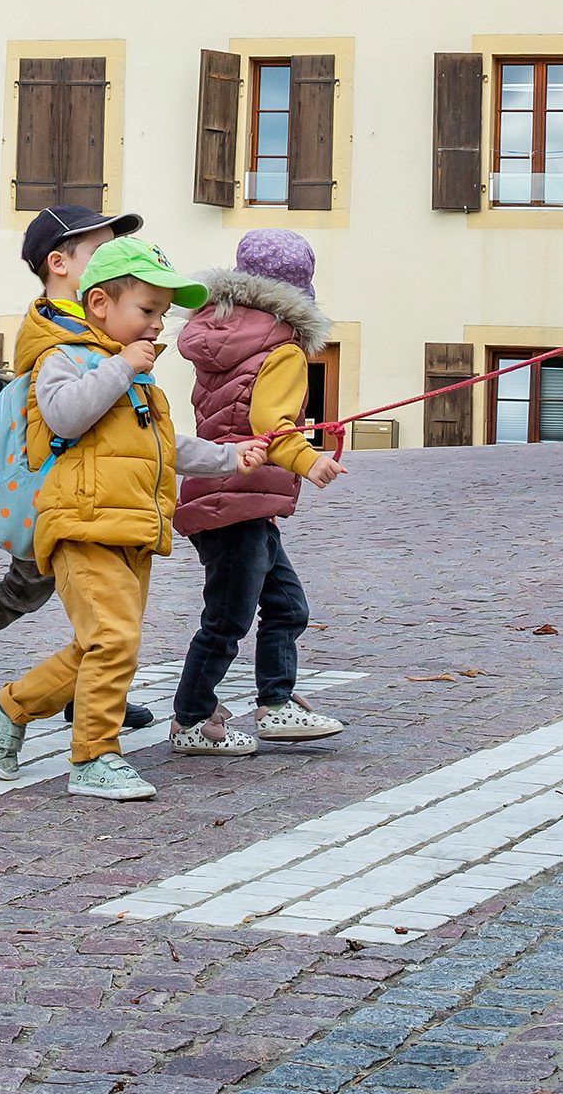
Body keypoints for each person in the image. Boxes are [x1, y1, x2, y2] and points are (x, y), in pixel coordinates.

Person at [0, 237, 267, 800]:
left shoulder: (135, 375)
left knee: (105, 643)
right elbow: (63, 418)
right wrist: (118, 367)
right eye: (147, 310)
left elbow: (163, 445)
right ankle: (93, 757)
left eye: (162, 313)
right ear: (102, 304)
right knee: (113, 639)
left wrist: (231, 457)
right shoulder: (62, 358)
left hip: (131, 527)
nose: (158, 325)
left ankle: (12, 706)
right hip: (80, 524)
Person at [0, 204, 157, 733]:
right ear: (60, 264)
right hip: (58, 485)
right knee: (30, 587)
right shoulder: (56, 331)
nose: (114, 261)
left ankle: (83, 688)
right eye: (100, 252)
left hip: (94, 485)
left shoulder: (101, 320)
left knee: (83, 589)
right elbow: (66, 411)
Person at [170, 229, 350, 755]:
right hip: (241, 497)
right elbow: (269, 423)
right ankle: (192, 719)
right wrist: (308, 459)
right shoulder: (284, 349)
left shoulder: (218, 337)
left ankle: (275, 703)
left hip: (225, 492)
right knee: (227, 619)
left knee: (287, 604)